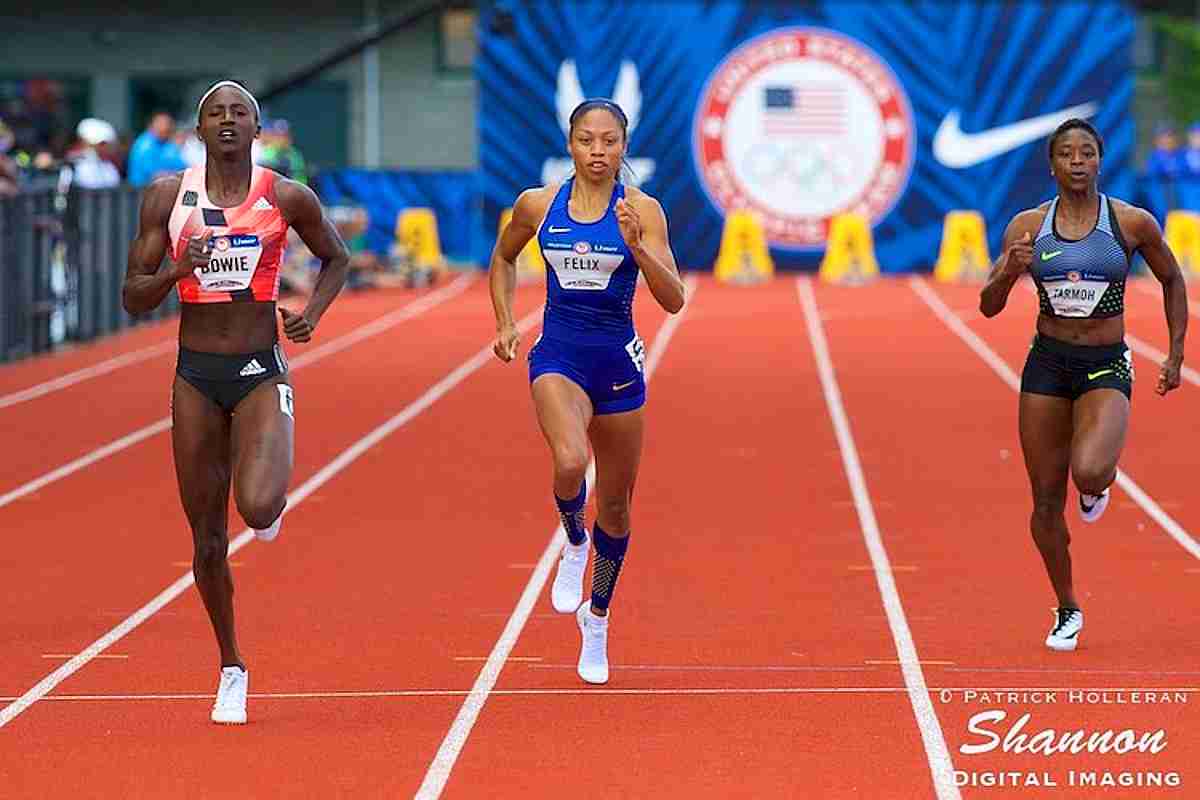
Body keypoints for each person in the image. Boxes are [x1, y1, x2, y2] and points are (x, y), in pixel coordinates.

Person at [122, 79, 348, 724]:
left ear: (257, 128)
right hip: (195, 374)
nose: (227, 120)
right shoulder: (168, 196)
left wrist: (311, 314)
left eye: (238, 113)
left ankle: (270, 504)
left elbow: (338, 257)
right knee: (207, 539)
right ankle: (231, 667)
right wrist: (176, 269)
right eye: (215, 113)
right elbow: (133, 296)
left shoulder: (284, 195)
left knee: (257, 504)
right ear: (199, 131)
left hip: (258, 370)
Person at [489, 97, 686, 684]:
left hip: (619, 363)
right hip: (559, 355)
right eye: (586, 140)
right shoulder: (538, 204)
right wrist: (504, 321)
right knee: (571, 460)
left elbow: (673, 299)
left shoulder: (643, 209)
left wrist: (640, 247)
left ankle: (596, 618)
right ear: (569, 143)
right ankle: (574, 540)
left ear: (624, 146)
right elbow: (502, 259)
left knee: (619, 505)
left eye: (609, 142)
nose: (598, 152)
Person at [979, 118, 1187, 652]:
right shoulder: (1027, 226)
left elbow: (1171, 278)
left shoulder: (1130, 223)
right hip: (1047, 364)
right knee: (1045, 502)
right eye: (1067, 153)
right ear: (1052, 165)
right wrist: (1007, 271)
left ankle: (1097, 484)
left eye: (1087, 152)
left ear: (1099, 160)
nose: (1077, 160)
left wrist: (1176, 350)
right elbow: (988, 307)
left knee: (1089, 469)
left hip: (1105, 362)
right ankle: (1067, 606)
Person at [128, 111, 187, 187]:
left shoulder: (167, 144)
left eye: (169, 125)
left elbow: (182, 167)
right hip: (141, 192)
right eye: (163, 124)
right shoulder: (145, 145)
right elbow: (154, 175)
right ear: (153, 126)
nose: (167, 128)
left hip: (163, 188)